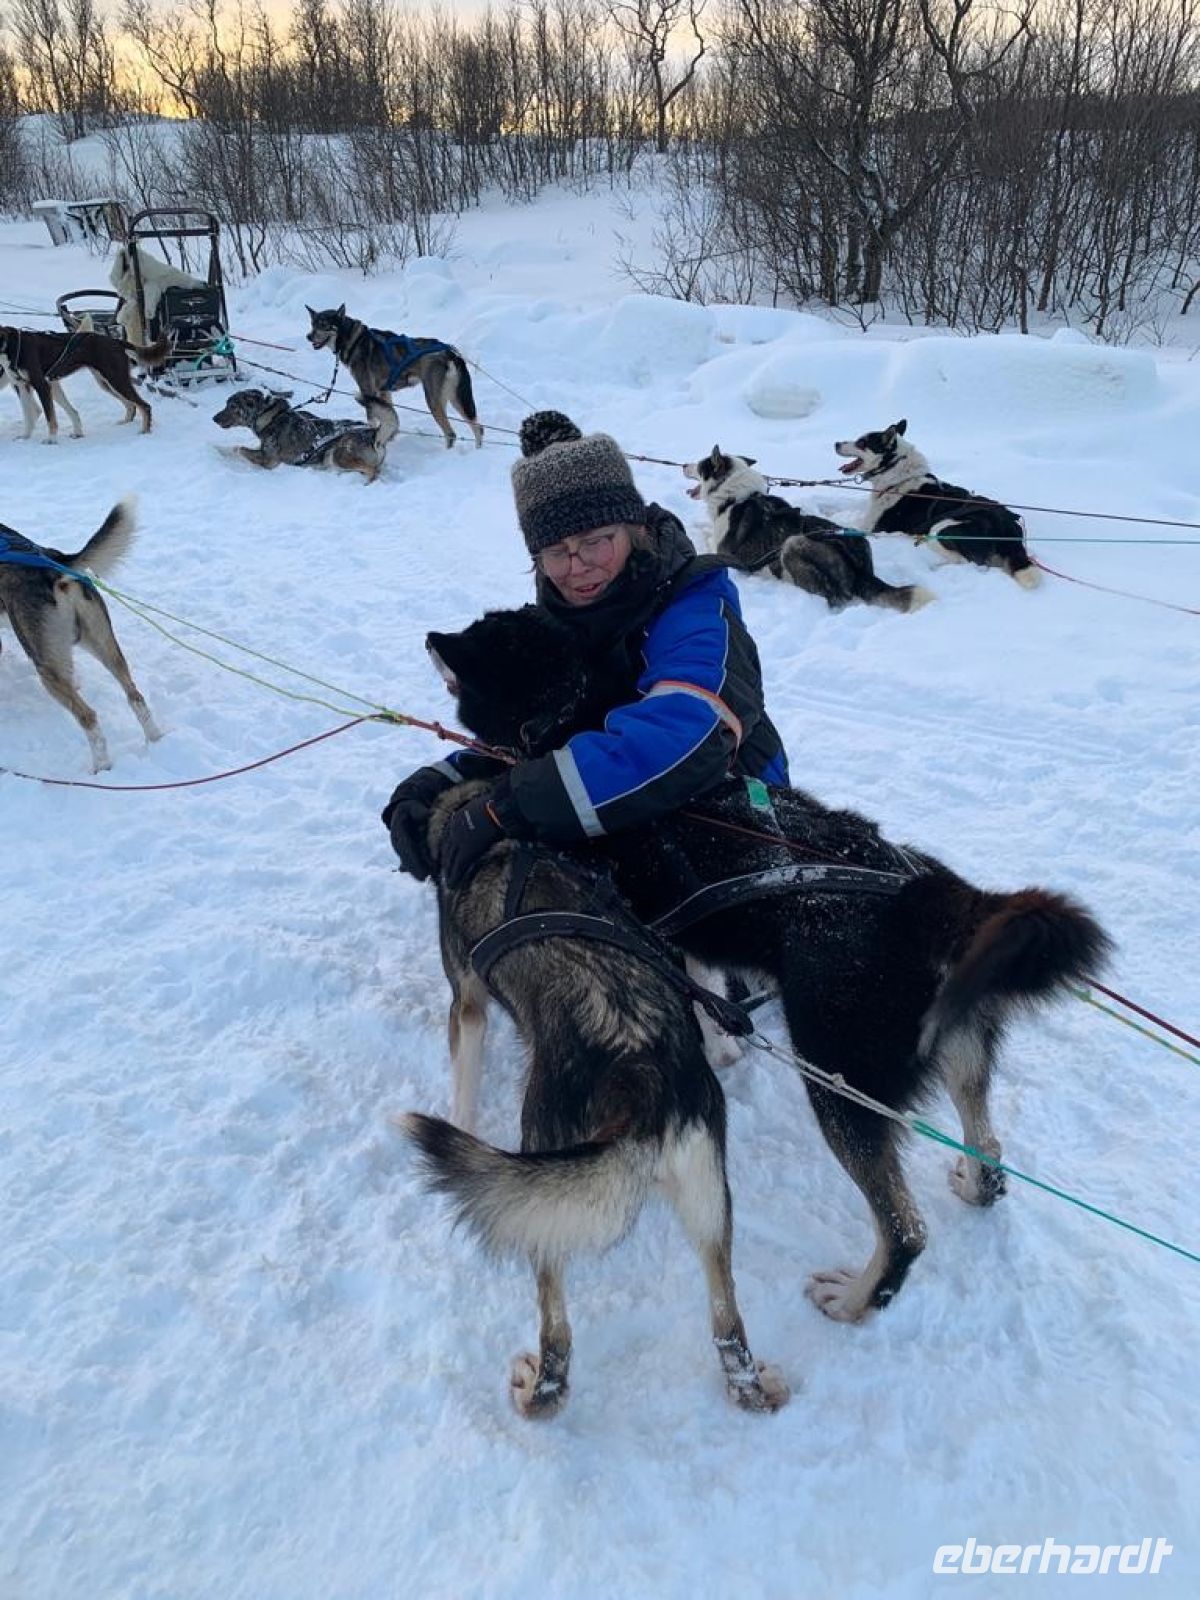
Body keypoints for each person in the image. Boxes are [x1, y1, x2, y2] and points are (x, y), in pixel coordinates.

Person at [382, 410, 789, 888]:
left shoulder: (696, 604)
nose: (577, 567)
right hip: (617, 796)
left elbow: (685, 735)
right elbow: (535, 731)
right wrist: (439, 785)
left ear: (633, 529)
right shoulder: (563, 611)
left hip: (731, 803)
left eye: (595, 541)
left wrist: (511, 805)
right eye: (555, 552)